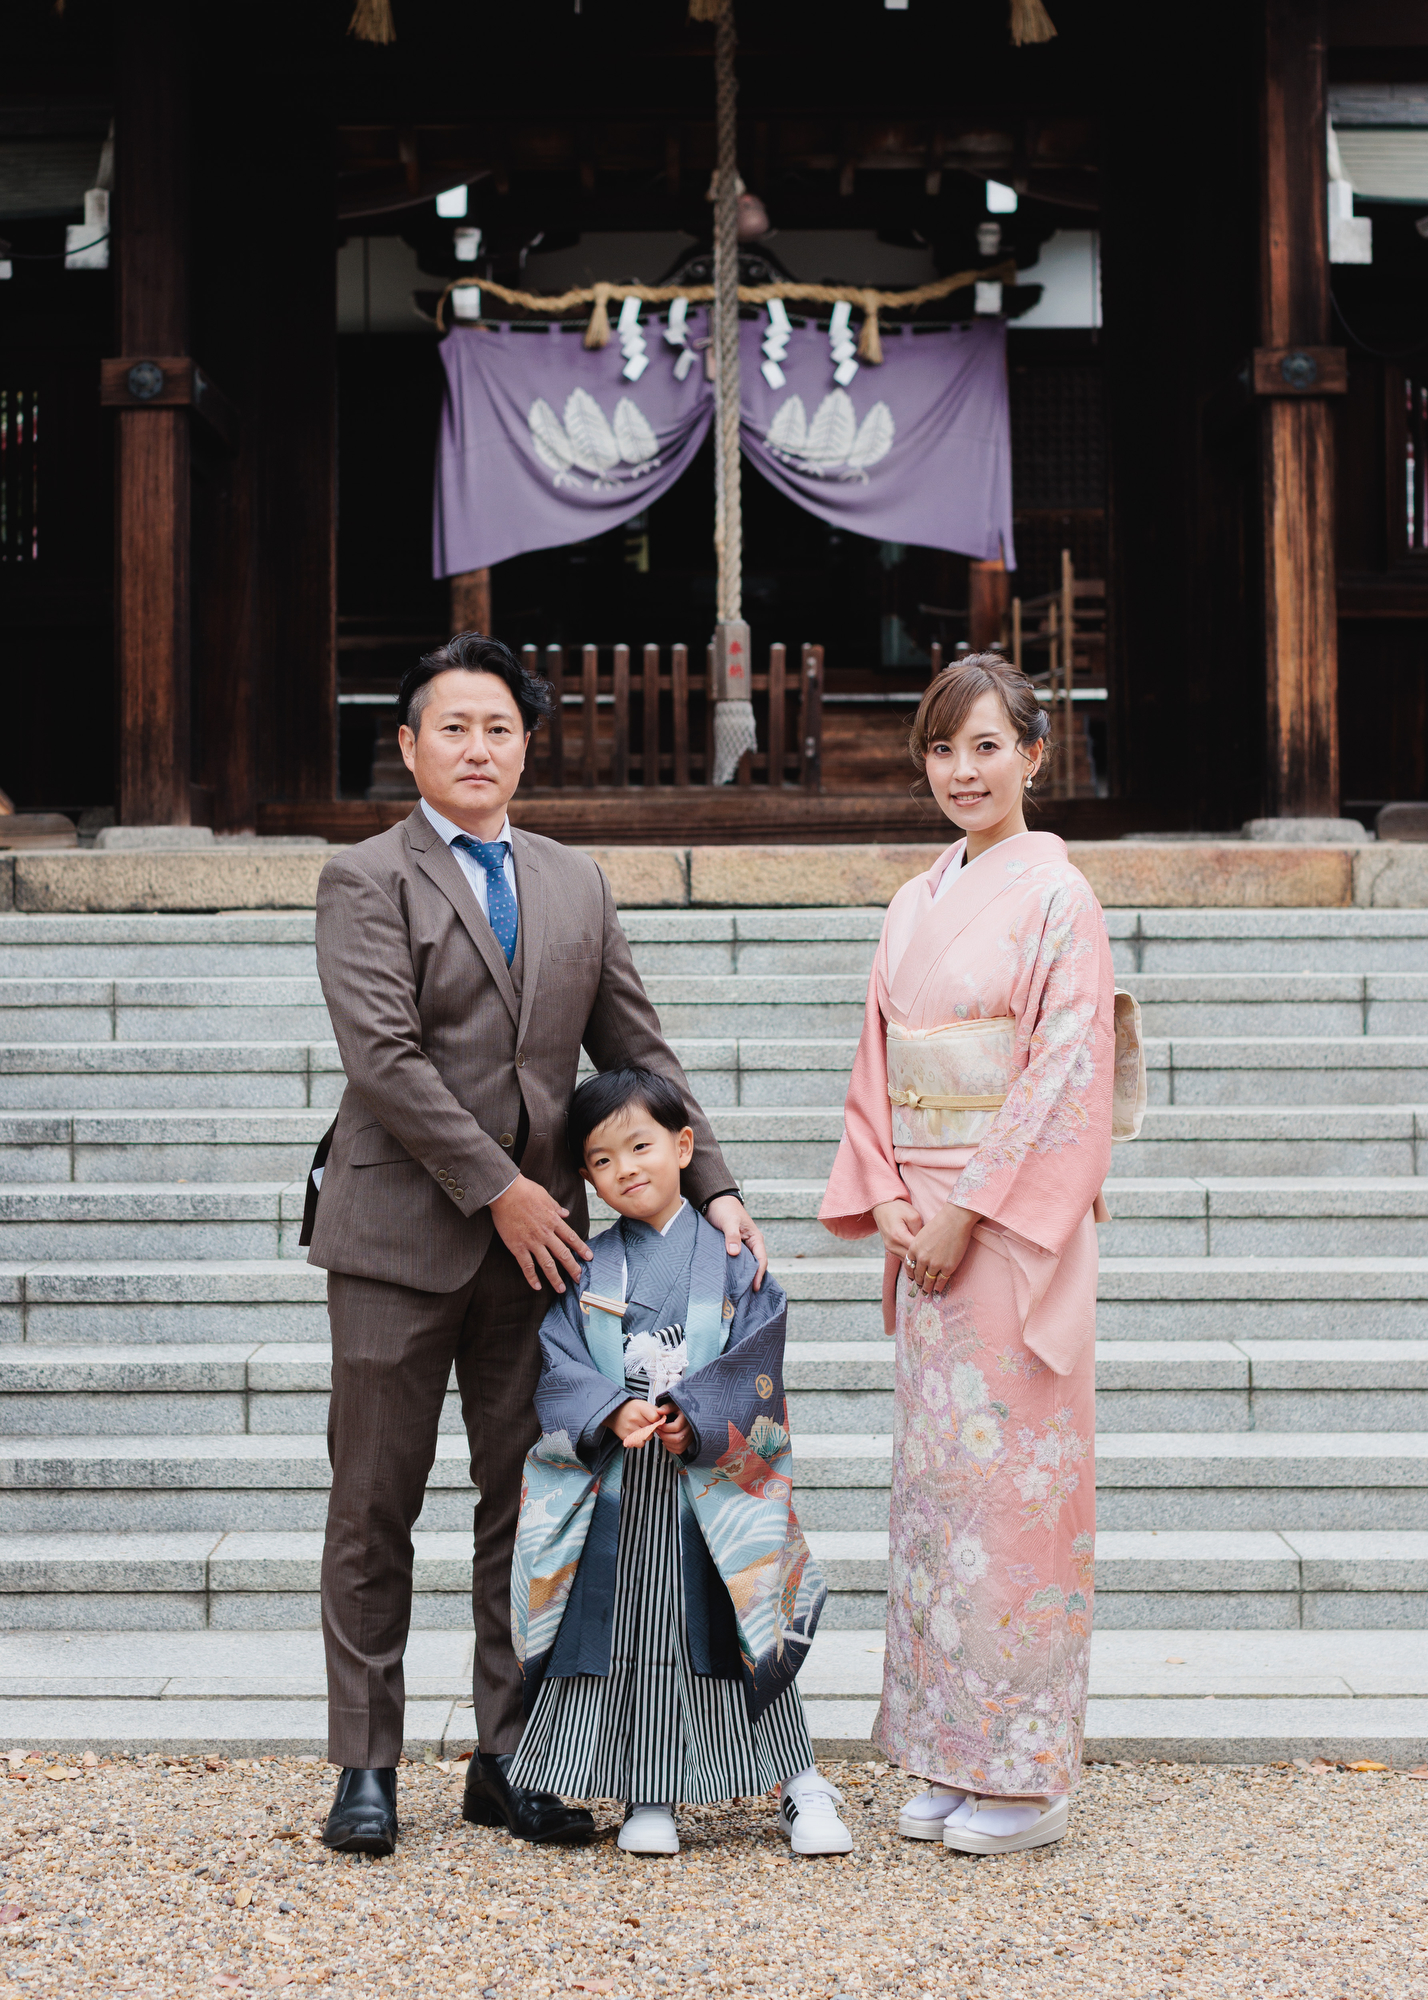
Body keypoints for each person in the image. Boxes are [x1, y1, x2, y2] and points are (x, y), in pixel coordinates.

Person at [304, 633, 766, 1856]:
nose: (477, 747)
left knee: (530, 1504)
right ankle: (366, 1762)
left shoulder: (573, 880)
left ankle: (510, 1755)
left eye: (499, 727)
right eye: (453, 726)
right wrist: (502, 1186)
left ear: (525, 745)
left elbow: (639, 1052)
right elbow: (384, 1060)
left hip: (542, 1257)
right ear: (409, 743)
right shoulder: (364, 878)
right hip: (398, 1237)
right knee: (373, 1503)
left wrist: (713, 1184)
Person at [820, 653, 1125, 1856]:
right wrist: (892, 1194)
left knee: (1018, 1496)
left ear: (1033, 756)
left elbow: (1063, 1075)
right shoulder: (914, 899)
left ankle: (1029, 1770)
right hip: (927, 1219)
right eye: (944, 748)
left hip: (1008, 1231)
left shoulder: (1062, 898)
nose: (963, 770)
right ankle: (953, 1745)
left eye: (987, 745)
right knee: (943, 1499)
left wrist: (966, 1211)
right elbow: (875, 1068)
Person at [506, 1065, 852, 1858]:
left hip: (710, 1486)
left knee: (740, 1622)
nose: (625, 1169)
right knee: (636, 1629)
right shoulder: (587, 1265)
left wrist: (696, 1416)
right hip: (623, 1487)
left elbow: (758, 1359)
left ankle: (801, 1784)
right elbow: (559, 1362)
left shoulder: (731, 1258)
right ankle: (649, 1794)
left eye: (641, 1146)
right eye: (602, 1160)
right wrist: (608, 1407)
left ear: (684, 1146)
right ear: (586, 1176)